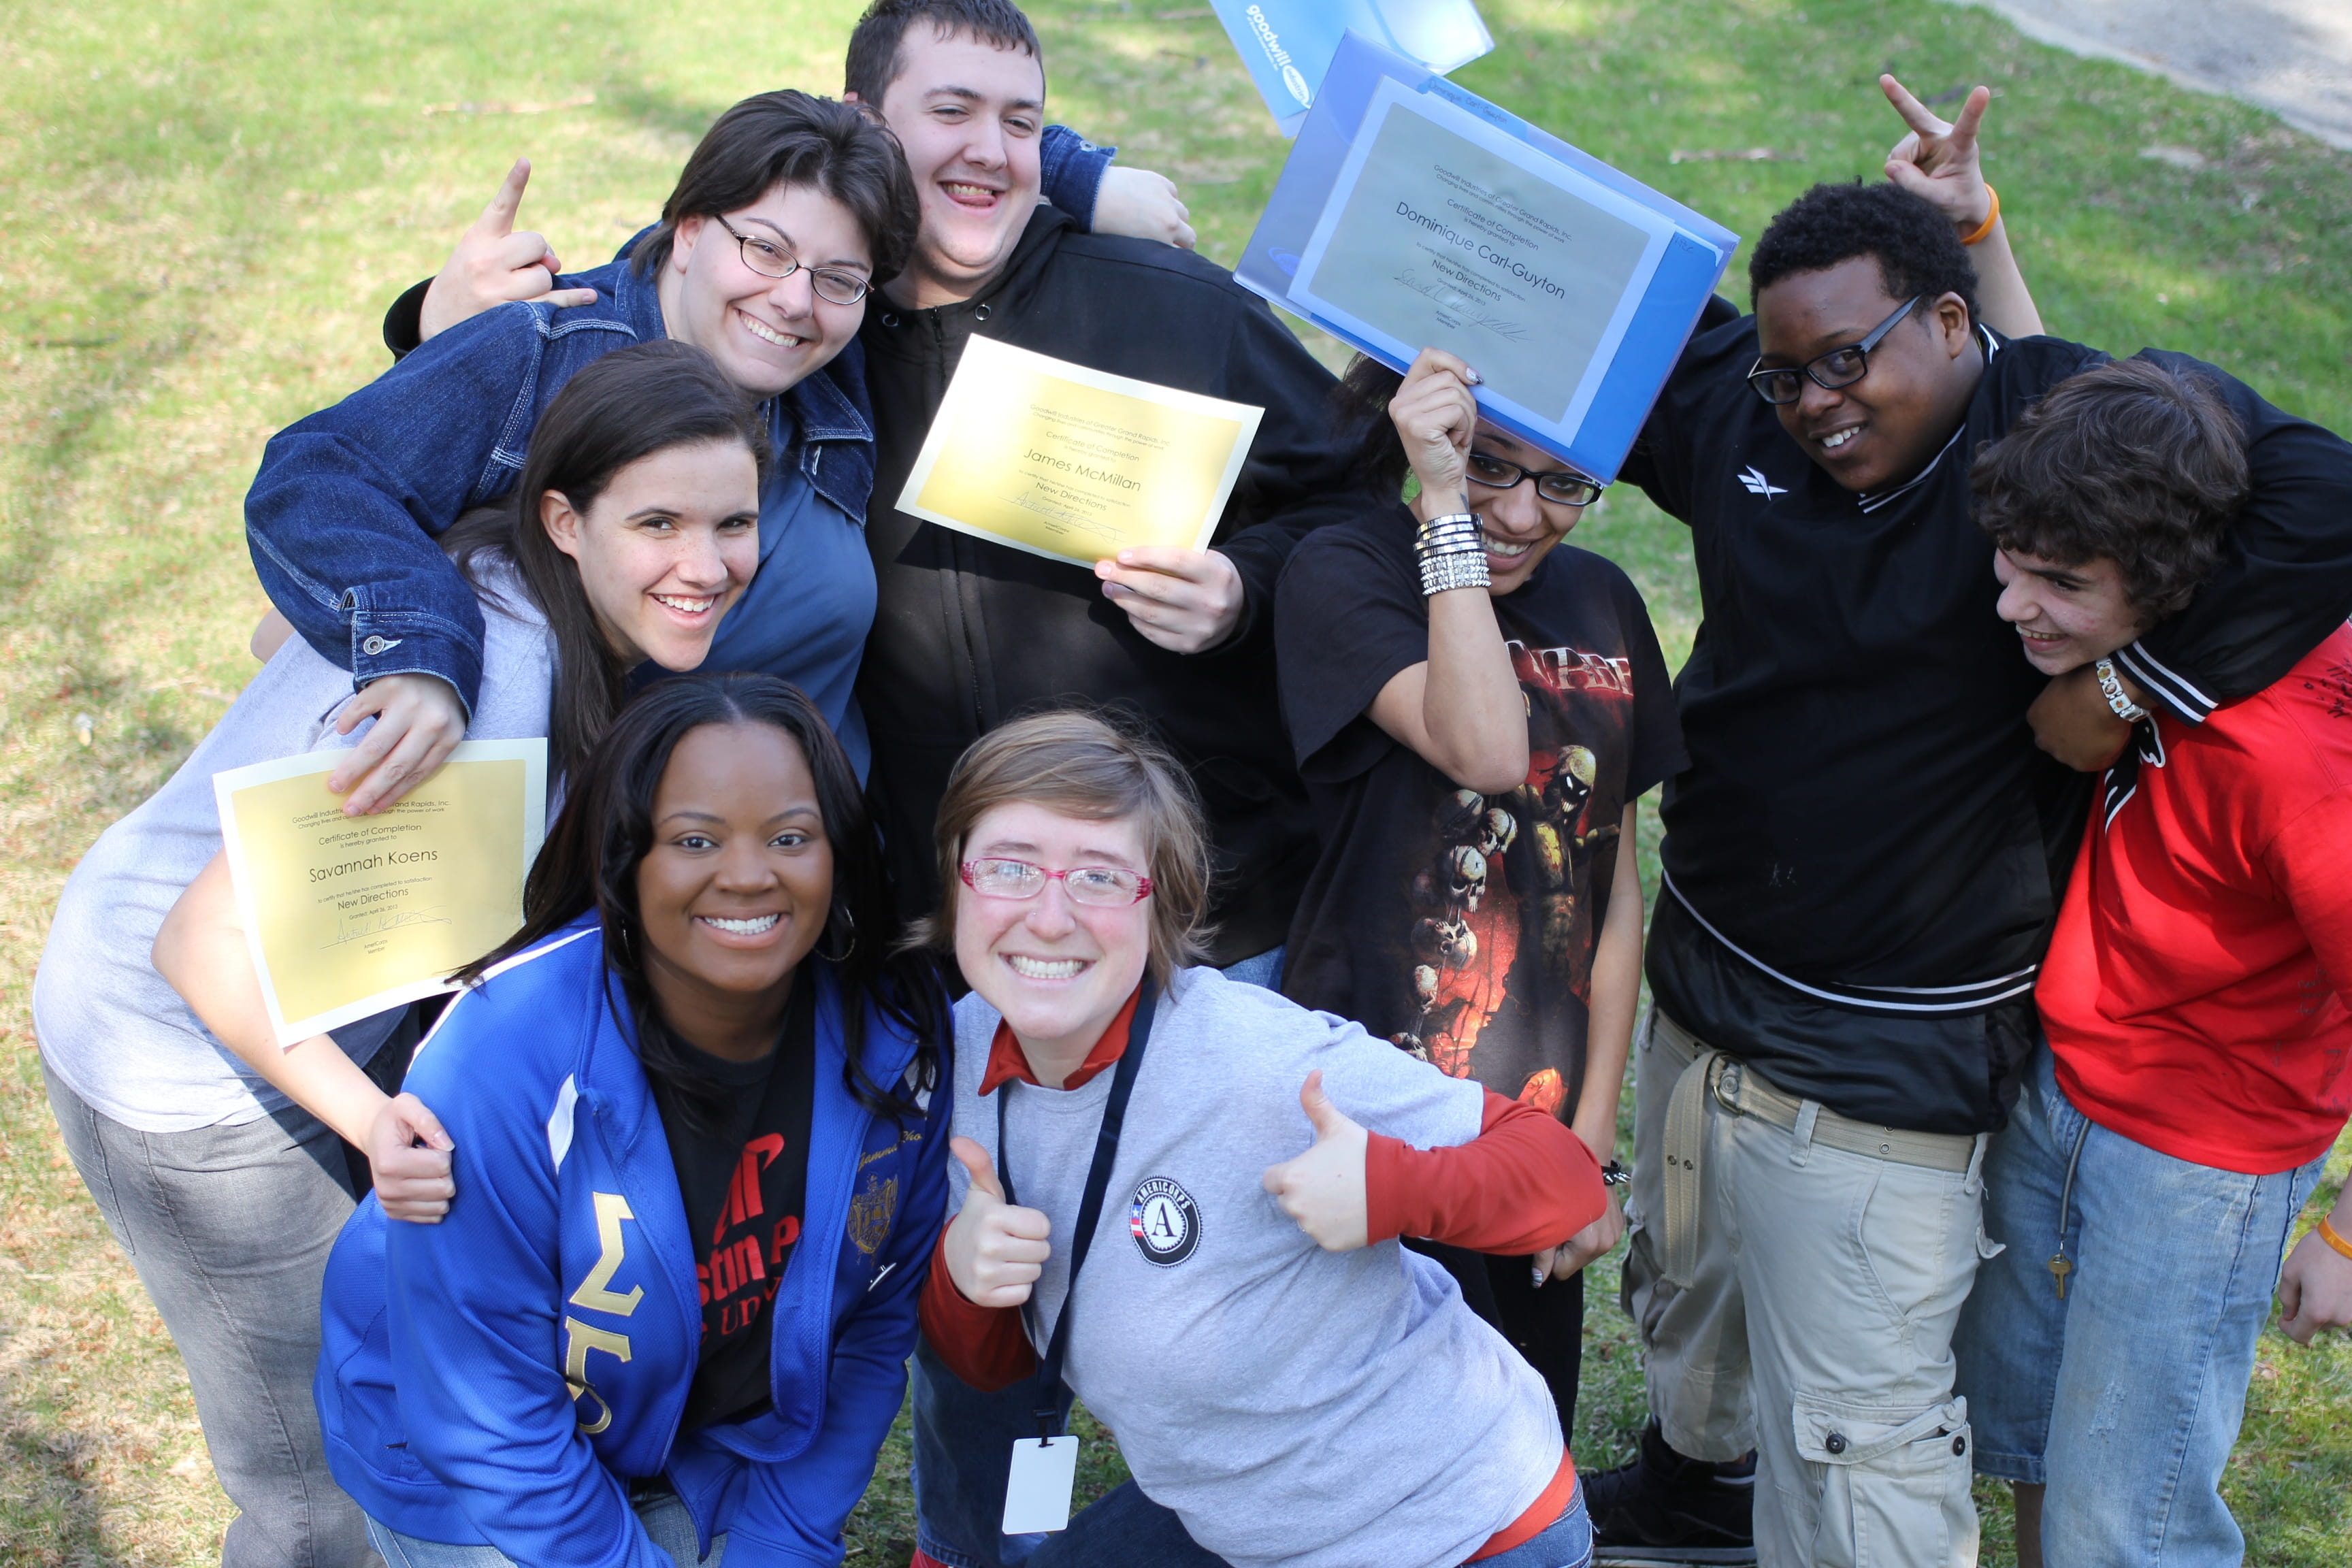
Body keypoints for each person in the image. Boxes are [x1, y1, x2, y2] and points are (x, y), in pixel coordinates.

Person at [1586, 82, 2352, 1568]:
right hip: (1733, 985)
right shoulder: (1770, 406)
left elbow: (2318, 497)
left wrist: (2127, 680)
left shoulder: (2056, 459)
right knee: (1699, 1296)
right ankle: (1698, 1489)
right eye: (1788, 373)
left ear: (1953, 325)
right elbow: (1565, 323)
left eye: (1849, 360)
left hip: (1926, 1061)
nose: (1815, 402)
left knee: (1887, 1430)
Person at [402, 0, 1366, 983]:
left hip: (1200, 925)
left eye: (1023, 124)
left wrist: (1244, 591)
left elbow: (1363, 497)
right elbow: (654, 292)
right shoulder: (805, 332)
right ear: (867, 122)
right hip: (925, 948)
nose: (990, 150)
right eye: (950, 111)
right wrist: (440, 328)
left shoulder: (1174, 307)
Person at [33, 340, 769, 1568]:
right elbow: (198, 943)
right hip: (188, 1062)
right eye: (658, 523)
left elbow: (275, 633)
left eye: (732, 522)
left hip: (313, 1008)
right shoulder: (503, 668)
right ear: (565, 521)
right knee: (318, 1486)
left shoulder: (501, 590)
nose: (706, 564)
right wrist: (377, 1127)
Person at [913, 710, 1604, 1567]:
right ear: (956, 882)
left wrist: (1393, 1188)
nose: (1050, 918)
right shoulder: (959, 1055)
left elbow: (1566, 1179)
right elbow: (992, 1369)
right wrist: (964, 1283)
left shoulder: (1255, 1056)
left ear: (1161, 906)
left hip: (1455, 1525)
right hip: (1240, 1518)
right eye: (1009, 868)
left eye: (1100, 877)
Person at [314, 672, 953, 1567]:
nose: (748, 874)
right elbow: (488, 1413)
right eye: (695, 839)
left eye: (790, 837)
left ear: (838, 852)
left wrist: (786, 1537)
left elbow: (874, 1324)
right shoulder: (505, 1054)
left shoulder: (891, 1028)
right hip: (482, 1474)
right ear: (625, 856)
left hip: (709, 1440)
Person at [246, 88, 931, 821]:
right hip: (561, 849)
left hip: (796, 847)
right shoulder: (545, 352)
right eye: (766, 250)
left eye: (838, 279)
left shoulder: (828, 372)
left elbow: (951, 162)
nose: (795, 300)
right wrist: (421, 655)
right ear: (688, 233)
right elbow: (318, 476)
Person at [1952, 358, 2352, 1567]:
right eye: (2011, 563)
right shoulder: (2164, 611)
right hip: (2065, 1083)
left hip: (2196, 1167)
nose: (2015, 605)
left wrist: (2346, 1237)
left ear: (2171, 579)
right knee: (2031, 1447)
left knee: (2129, 1519)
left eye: (2062, 584)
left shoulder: (2302, 765)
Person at [1273, 347, 1685, 1434]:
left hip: (1529, 1129)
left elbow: (1613, 884)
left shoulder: (1602, 600)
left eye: (1564, 483)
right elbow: (1486, 748)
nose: (1522, 513)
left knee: (1516, 1438)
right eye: (1489, 464)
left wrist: (1588, 1141)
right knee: (1366, 1447)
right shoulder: (1343, 572)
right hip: (1376, 1113)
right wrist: (1443, 500)